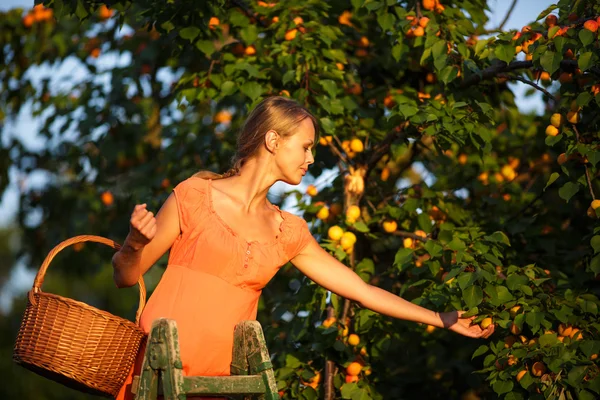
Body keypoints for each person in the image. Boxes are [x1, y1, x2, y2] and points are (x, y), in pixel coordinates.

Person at [112, 96, 494, 399]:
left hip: (224, 384)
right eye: (306, 147)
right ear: (273, 140)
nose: (312, 158)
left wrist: (440, 317)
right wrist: (134, 243)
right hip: (160, 374)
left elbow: (360, 290)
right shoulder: (194, 195)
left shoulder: (288, 231)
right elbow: (126, 277)